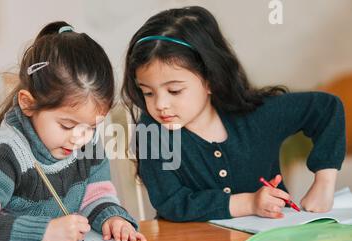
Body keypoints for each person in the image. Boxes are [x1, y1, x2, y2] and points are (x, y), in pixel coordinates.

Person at [121, 7, 346, 222]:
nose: (160, 104)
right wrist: (248, 203)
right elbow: (172, 203)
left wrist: (324, 181)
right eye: (148, 92)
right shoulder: (152, 132)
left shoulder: (256, 115)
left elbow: (326, 108)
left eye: (174, 91)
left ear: (210, 80)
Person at [0, 21, 146, 241]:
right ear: (28, 104)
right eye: (66, 125)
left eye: (91, 126)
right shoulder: (3, 153)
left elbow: (96, 196)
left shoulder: (87, 143)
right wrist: (44, 232)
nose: (79, 138)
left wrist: (113, 217)